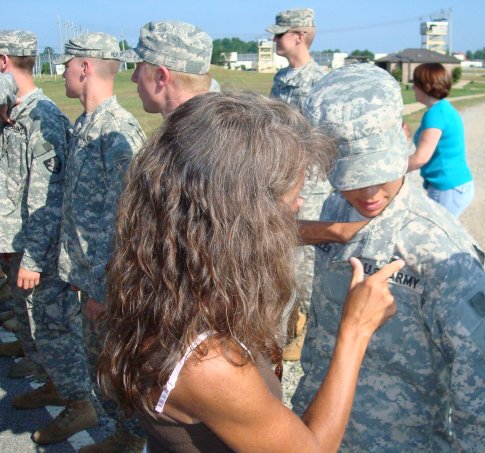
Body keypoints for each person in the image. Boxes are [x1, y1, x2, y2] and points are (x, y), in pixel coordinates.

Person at [97, 91, 403, 453]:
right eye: (290, 206)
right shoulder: (208, 365)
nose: (299, 207)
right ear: (244, 223)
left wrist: (332, 231)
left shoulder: (160, 276)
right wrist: (355, 331)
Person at [292, 63, 485, 452]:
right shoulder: (336, 207)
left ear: (404, 137)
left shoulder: (439, 253)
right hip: (319, 430)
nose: (367, 192)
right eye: (351, 177)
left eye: (377, 172)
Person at [0, 30, 96, 445]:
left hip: (37, 249)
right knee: (34, 326)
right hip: (17, 244)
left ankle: (79, 404)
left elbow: (47, 198)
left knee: (54, 330)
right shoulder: (15, 113)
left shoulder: (44, 119)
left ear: (4, 62)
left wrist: (33, 259)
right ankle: (55, 384)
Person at [53, 32, 147, 452]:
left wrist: (103, 290)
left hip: (106, 286)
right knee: (100, 368)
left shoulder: (116, 132)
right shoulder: (85, 126)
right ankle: (125, 436)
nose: (65, 72)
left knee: (117, 371)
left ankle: (136, 439)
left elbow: (125, 225)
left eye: (68, 64)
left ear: (85, 67)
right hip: (87, 278)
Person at [266, 7, 330, 360]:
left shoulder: (320, 81)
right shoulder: (280, 79)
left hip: (308, 189)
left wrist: (302, 190)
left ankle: (304, 332)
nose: (273, 40)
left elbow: (319, 142)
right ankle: (287, 326)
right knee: (280, 258)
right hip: (280, 185)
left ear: (299, 36)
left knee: (304, 263)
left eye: (279, 34)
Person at [406, 62, 475, 218]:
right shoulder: (442, 109)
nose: (413, 88)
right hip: (455, 186)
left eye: (415, 83)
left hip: (448, 188)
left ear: (426, 85)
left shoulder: (435, 114)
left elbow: (420, 158)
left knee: (436, 235)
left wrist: (390, 171)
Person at [122, 21, 214, 118]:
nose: (134, 78)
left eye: (139, 67)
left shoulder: (189, 131)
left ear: (161, 76)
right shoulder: (216, 126)